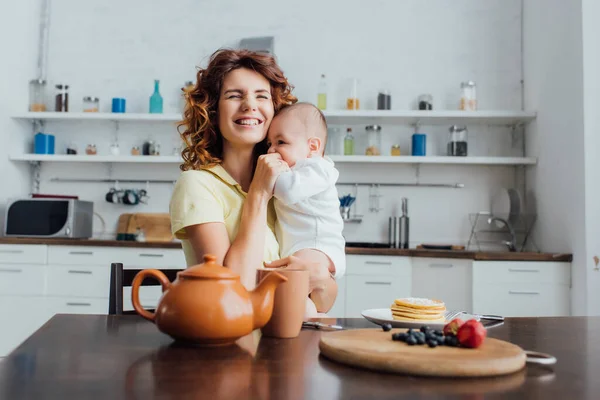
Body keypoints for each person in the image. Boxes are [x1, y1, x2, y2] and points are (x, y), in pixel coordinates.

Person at [169, 48, 338, 314]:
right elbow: (231, 291)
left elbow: (325, 302)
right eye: (235, 96)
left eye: (261, 96)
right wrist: (258, 195)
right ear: (212, 111)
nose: (250, 105)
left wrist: (316, 272)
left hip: (281, 342)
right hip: (226, 343)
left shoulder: (288, 187)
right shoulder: (197, 185)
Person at [264, 103, 346, 311]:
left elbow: (288, 191)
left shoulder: (318, 168)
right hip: (304, 245)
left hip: (316, 245)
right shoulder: (301, 168)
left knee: (291, 292)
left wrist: (267, 175)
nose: (272, 150)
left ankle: (305, 317)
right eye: (270, 143)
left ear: (313, 147)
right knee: (297, 293)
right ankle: (308, 315)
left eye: (281, 142)